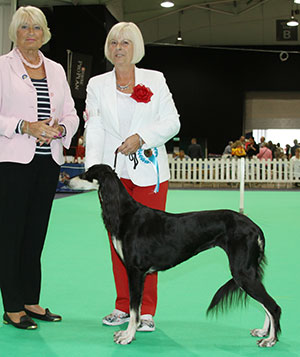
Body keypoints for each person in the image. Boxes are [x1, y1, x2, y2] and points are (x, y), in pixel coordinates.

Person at [84, 22, 180, 331]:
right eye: (113, 43)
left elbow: (172, 122)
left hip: (149, 171)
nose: (118, 48)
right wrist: (93, 170)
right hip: (115, 174)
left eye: (125, 42)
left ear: (135, 46)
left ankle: (147, 312)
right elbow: (94, 127)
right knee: (118, 242)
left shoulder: (155, 80)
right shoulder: (97, 84)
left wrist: (142, 136)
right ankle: (123, 306)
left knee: (150, 241)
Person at [0, 6, 79, 329]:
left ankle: (31, 300)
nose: (31, 33)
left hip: (49, 163)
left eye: (36, 27)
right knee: (11, 234)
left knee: (35, 234)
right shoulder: (2, 68)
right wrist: (24, 126)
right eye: (24, 27)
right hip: (14, 163)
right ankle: (12, 305)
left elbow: (72, 113)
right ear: (14, 33)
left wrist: (61, 130)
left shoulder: (57, 70)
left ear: (45, 33)